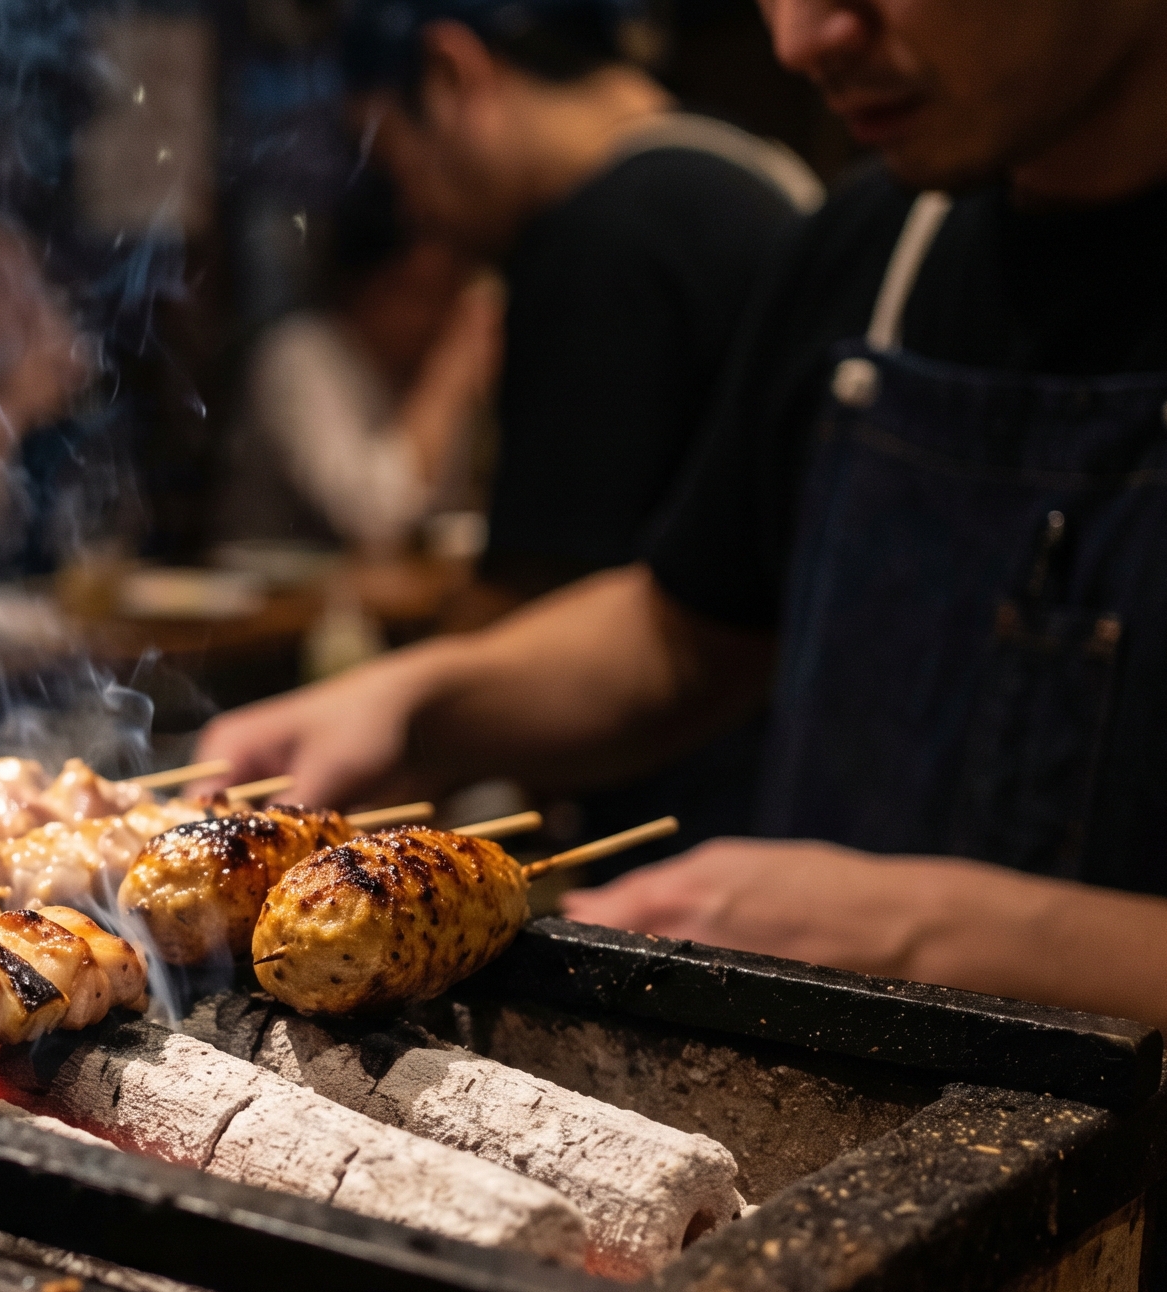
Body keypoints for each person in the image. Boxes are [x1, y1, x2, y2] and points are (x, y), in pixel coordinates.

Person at [199, 0, 1167, 1292]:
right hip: (787, 1288)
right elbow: (692, 626)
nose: (809, 35)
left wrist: (923, 938)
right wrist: (425, 706)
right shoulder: (879, 237)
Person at [335, 0, 819, 860]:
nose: (420, 217)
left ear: (452, 77)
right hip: (785, 786)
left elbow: (540, 598)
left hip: (693, 823)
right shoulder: (742, 167)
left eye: (397, 165)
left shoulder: (604, 234)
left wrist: (375, 721)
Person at [214, 167, 498, 556]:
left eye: (451, 292)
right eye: (422, 293)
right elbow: (374, 518)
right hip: (276, 607)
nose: (440, 315)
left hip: (395, 603)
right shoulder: (298, 354)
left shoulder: (422, 359)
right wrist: (449, 376)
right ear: (360, 288)